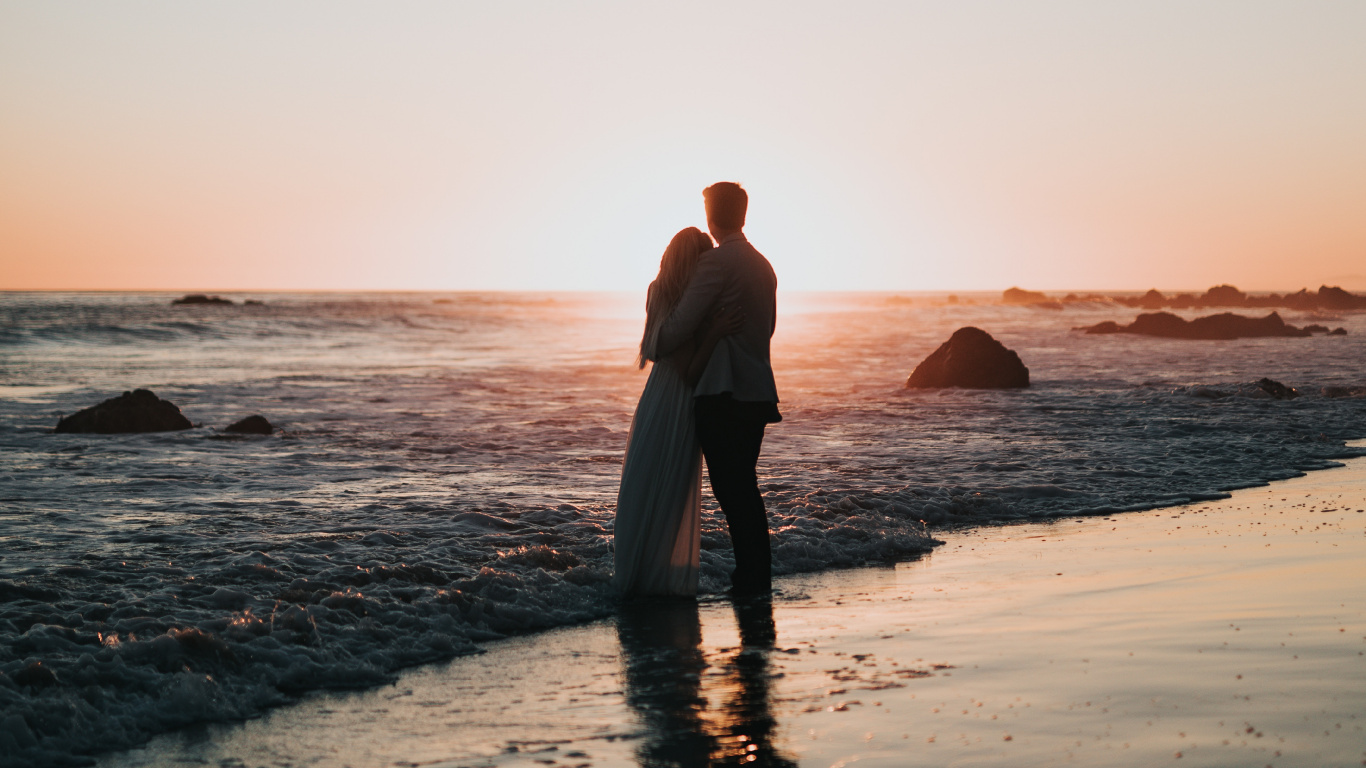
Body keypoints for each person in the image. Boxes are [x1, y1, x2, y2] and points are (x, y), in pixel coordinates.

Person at [656, 182, 781, 595]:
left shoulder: (717, 263)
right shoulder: (764, 266)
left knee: (733, 492)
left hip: (722, 394)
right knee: (744, 487)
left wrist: (659, 335)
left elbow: (678, 328)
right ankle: (754, 575)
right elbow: (770, 330)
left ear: (711, 216)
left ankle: (749, 579)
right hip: (758, 391)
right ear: (743, 215)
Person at [613, 227, 745, 596]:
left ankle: (633, 574)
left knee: (642, 485)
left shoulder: (656, 291)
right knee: (669, 489)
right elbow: (690, 370)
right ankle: (656, 580)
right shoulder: (689, 306)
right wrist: (716, 330)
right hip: (680, 403)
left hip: (655, 396)